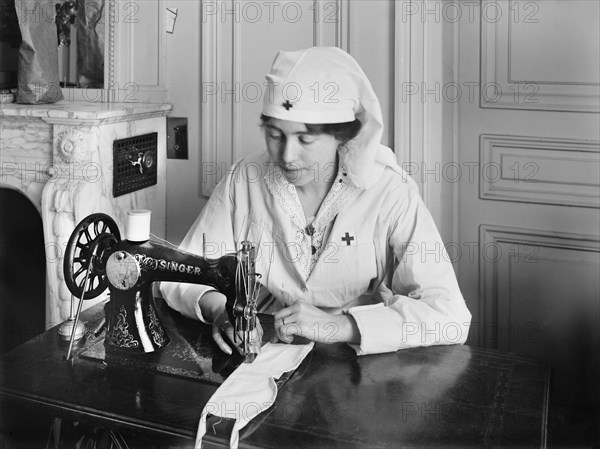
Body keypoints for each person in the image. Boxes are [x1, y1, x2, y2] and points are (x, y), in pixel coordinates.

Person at [160, 46, 471, 357]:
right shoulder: (245, 178)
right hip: (265, 347)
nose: (286, 155)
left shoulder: (390, 191)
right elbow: (181, 272)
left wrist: (340, 326)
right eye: (274, 134)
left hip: (360, 362)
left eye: (305, 140)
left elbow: (449, 315)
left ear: (343, 136)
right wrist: (220, 311)